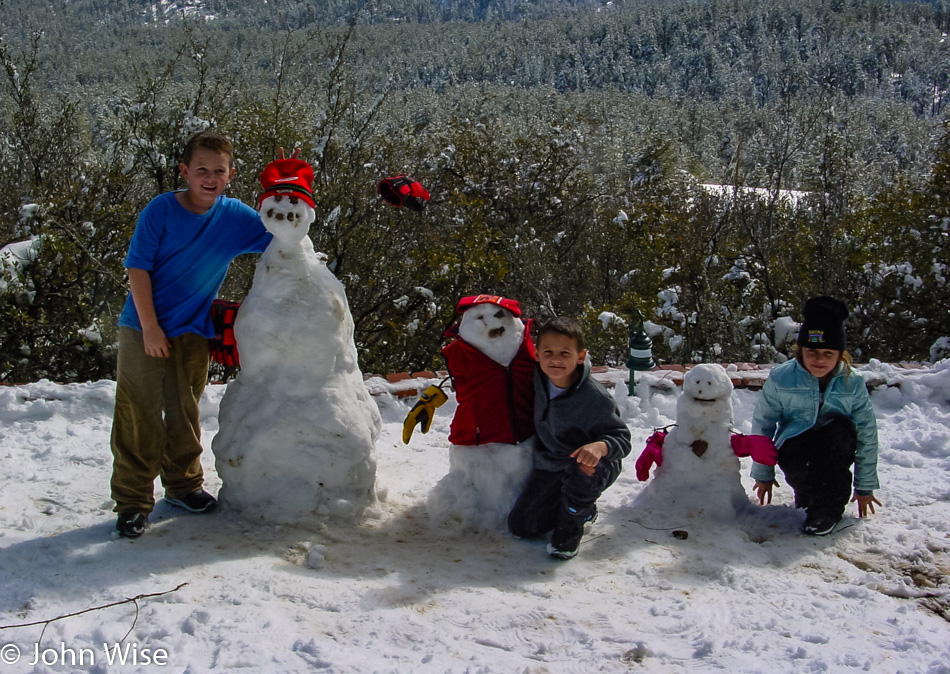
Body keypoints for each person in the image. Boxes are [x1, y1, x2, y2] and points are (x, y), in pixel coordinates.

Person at [110, 130, 272, 539]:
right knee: (139, 413)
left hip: (193, 330)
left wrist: (286, 182)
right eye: (202, 169)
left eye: (219, 171)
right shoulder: (161, 210)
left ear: (231, 174)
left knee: (184, 411)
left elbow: (285, 232)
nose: (210, 178)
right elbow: (137, 269)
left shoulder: (234, 217)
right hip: (142, 327)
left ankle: (183, 486)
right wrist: (150, 328)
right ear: (185, 171)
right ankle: (132, 503)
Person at [751, 296, 882, 536]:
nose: (819, 360)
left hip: (835, 444)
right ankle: (808, 495)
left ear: (839, 354)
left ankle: (827, 511)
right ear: (801, 350)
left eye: (828, 353)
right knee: (799, 461)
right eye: (812, 351)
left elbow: (867, 432)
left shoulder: (851, 382)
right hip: (796, 445)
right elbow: (763, 425)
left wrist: (865, 487)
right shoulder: (781, 378)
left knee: (839, 437)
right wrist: (763, 474)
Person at [508, 317, 631, 559]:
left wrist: (599, 446)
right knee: (523, 526)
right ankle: (579, 509)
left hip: (594, 464)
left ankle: (570, 530)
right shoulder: (537, 379)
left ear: (581, 356)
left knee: (582, 471)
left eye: (565, 353)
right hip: (553, 463)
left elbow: (623, 438)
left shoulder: (594, 397)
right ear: (537, 354)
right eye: (548, 352)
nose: (555, 360)